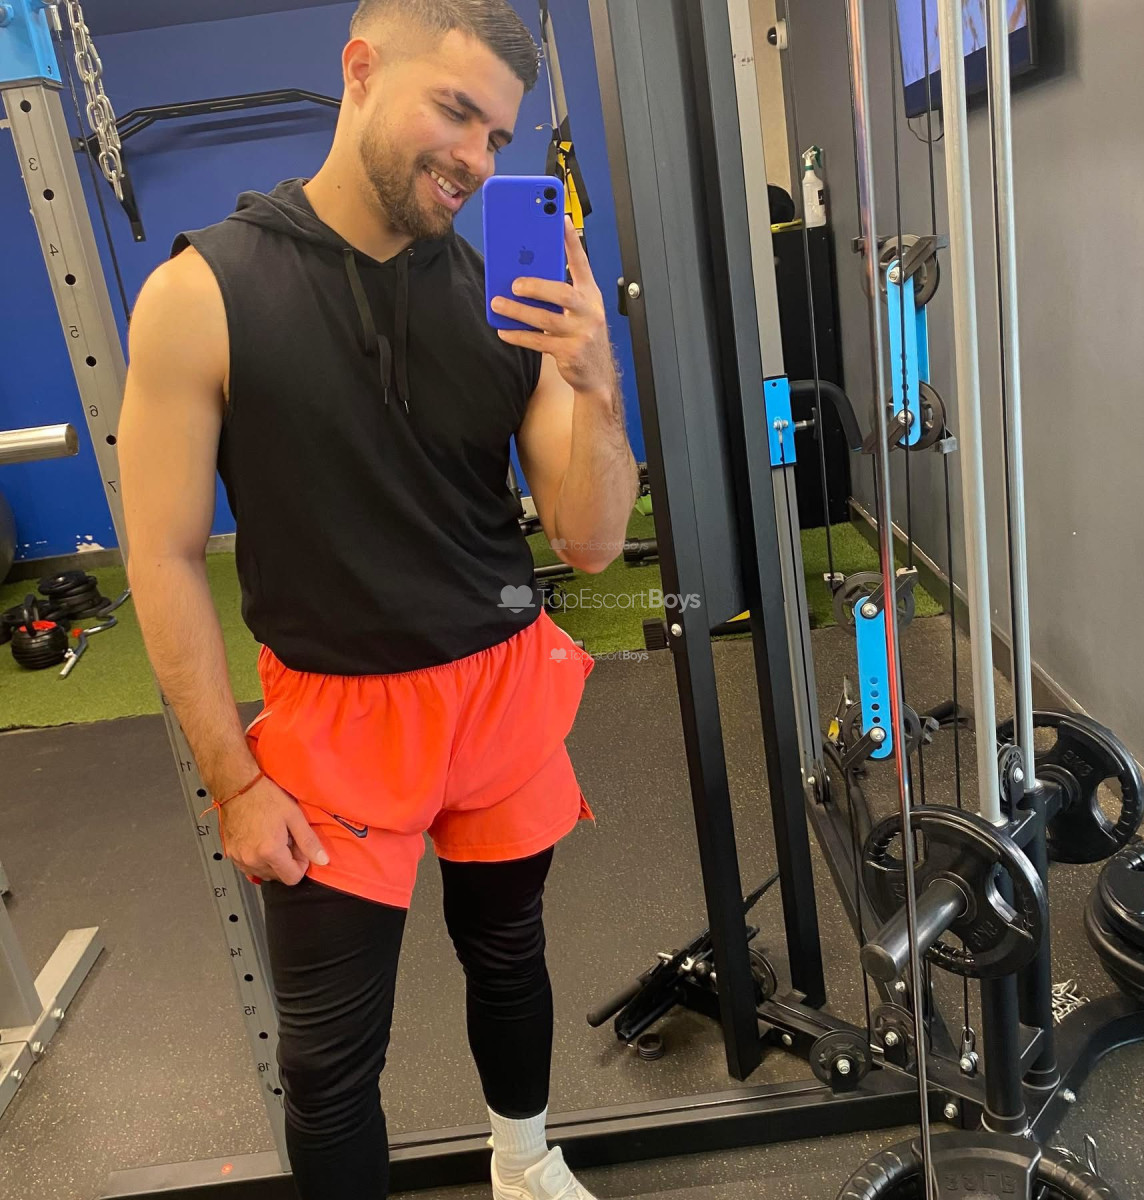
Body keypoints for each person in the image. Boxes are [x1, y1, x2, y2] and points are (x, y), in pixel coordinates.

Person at [116, 1, 639, 1197]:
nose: (476, 158)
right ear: (360, 69)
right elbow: (161, 557)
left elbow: (595, 544)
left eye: (497, 135)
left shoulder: (508, 301)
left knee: (509, 952)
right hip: (338, 720)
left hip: (499, 688)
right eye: (455, 111)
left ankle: (523, 1162)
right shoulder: (202, 293)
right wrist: (234, 783)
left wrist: (596, 380)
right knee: (330, 1059)